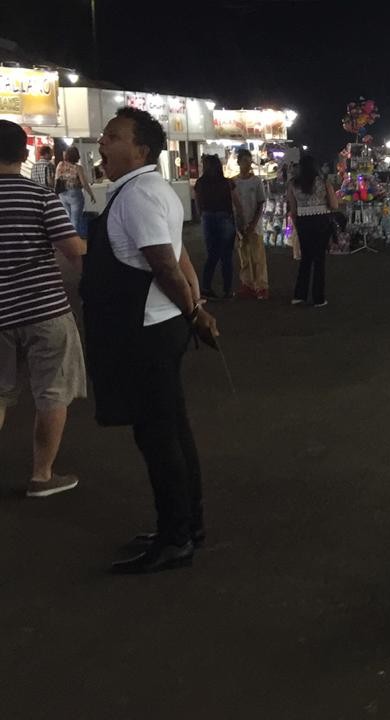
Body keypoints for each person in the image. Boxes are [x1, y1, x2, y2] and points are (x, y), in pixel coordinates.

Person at [81, 107, 219, 573]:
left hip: (146, 334)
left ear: (141, 149)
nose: (102, 143)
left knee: (159, 436)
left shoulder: (139, 195)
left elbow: (164, 264)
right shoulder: (149, 190)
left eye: (113, 136)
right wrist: (196, 309)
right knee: (173, 429)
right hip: (160, 328)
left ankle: (175, 537)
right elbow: (181, 259)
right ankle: (186, 524)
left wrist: (195, 312)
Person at [0, 120, 87, 499]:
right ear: (23, 154)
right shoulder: (39, 197)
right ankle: (42, 475)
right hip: (44, 308)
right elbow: (72, 249)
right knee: (52, 391)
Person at [286, 155, 338, 307]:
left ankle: (299, 295)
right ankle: (318, 298)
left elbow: (293, 210)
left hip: (303, 221)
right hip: (321, 220)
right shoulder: (323, 182)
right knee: (319, 259)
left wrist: (296, 225)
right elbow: (334, 205)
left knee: (306, 259)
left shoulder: (293, 184)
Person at [194, 155, 240, 300]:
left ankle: (206, 288)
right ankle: (227, 291)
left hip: (207, 218)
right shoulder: (227, 182)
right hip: (224, 217)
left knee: (212, 255)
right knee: (226, 256)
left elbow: (197, 202)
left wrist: (202, 215)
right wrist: (241, 220)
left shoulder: (200, 183)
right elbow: (236, 202)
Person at [232, 148, 269, 300]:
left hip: (255, 225)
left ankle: (261, 286)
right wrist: (240, 224)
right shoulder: (234, 182)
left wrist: (253, 223)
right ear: (239, 162)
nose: (247, 164)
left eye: (249, 161)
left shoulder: (256, 181)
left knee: (258, 256)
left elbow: (261, 203)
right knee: (244, 256)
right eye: (244, 161)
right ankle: (247, 284)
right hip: (240, 224)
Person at [55, 147, 97, 237]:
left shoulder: (60, 164)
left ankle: (67, 239)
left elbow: (56, 179)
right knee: (75, 219)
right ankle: (74, 241)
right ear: (76, 156)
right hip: (75, 194)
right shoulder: (78, 168)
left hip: (62, 194)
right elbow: (84, 183)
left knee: (67, 218)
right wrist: (91, 194)